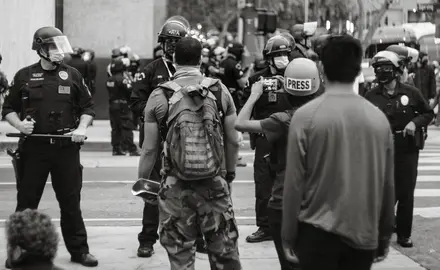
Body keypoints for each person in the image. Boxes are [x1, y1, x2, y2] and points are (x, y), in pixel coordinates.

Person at [282, 35, 395, 270]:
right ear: (357, 71)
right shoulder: (378, 120)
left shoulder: (305, 117)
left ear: (321, 68)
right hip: (363, 234)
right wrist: (384, 234)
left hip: (316, 236)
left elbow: (293, 184)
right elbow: (387, 184)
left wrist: (288, 234)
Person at [138, 36, 241, 270]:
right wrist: (229, 174)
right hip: (214, 183)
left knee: (180, 256)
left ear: (174, 59)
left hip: (175, 186)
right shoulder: (219, 90)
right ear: (201, 59)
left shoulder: (159, 95)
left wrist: (144, 182)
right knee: (224, 252)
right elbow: (233, 140)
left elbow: (149, 148)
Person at [1, 26, 98, 268]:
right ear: (41, 49)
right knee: (26, 203)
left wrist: (82, 128)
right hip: (34, 149)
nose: (59, 53)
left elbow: (88, 108)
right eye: (54, 48)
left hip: (65, 149)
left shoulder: (73, 74)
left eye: (60, 47)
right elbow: (8, 109)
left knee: (70, 202)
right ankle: (19, 252)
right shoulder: (24, 76)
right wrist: (20, 124)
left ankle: (79, 251)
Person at [130, 17, 210, 257]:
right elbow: (136, 102)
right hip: (157, 139)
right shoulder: (150, 70)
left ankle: (197, 238)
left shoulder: (196, 72)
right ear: (161, 44)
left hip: (188, 140)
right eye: (168, 42)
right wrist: (160, 112)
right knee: (154, 190)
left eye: (177, 42)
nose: (172, 47)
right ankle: (147, 239)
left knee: (192, 189)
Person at [235, 58, 321, 269]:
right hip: (318, 201)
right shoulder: (326, 116)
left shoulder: (281, 120)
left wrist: (255, 94)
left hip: (283, 200)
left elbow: (240, 123)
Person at [365, 50, 434, 248]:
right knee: (383, 193)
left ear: (396, 71)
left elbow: (428, 114)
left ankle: (404, 234)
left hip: (407, 151)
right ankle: (382, 231)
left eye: (385, 69)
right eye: (378, 70)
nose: (381, 73)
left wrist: (414, 122)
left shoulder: (411, 93)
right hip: (381, 151)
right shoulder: (370, 96)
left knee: (405, 193)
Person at [243, 35, 293, 243]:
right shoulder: (257, 79)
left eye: (285, 54)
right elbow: (246, 107)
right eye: (277, 55)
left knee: (290, 183)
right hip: (264, 136)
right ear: (268, 58)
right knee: (263, 184)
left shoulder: (295, 77)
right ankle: (264, 227)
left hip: (289, 137)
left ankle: (289, 226)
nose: (282, 58)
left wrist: (286, 87)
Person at [106, 57, 139, 156]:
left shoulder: (109, 79)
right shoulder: (123, 79)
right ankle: (131, 149)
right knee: (126, 127)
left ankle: (116, 148)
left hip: (113, 105)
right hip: (123, 106)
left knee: (115, 128)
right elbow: (130, 91)